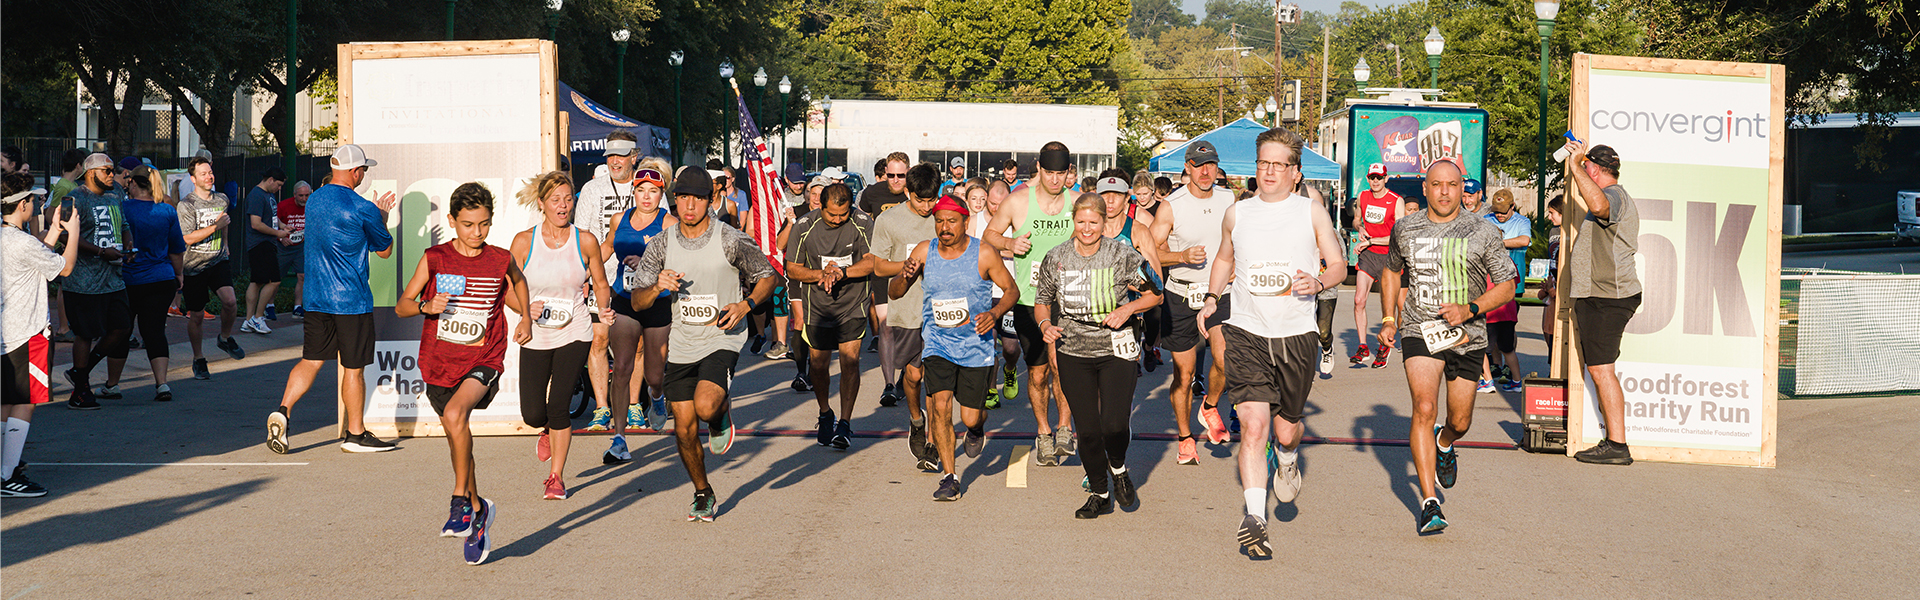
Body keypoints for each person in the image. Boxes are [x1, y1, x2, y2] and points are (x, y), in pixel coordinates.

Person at [1199, 128, 1348, 555]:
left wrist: (1319, 280)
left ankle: (1287, 459)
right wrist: (1212, 298)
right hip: (1246, 331)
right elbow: (1224, 258)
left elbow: (1338, 265)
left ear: (1295, 172)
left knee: (1285, 431)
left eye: (1278, 164)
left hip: (1295, 335)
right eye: (1263, 162)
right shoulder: (1238, 213)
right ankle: (1255, 518)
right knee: (1254, 425)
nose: (1268, 171)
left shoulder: (1310, 212)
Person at [624, 166, 776, 522]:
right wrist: (657, 287)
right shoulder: (662, 243)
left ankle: (721, 414)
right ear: (674, 200)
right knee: (684, 427)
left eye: (698, 197)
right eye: (683, 197)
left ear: (710, 201)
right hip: (682, 343)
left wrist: (746, 305)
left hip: (722, 336)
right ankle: (703, 492)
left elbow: (768, 276)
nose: (689, 204)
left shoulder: (730, 238)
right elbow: (637, 302)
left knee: (706, 407)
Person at [1377, 157, 1516, 533]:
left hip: (1467, 335)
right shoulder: (1405, 228)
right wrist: (1390, 317)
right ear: (1424, 188)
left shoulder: (1483, 231)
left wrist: (1470, 308)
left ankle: (1445, 441)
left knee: (1460, 420)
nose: (1444, 192)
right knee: (1424, 406)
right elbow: (1391, 270)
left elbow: (1507, 284)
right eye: (1436, 184)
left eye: (1452, 185)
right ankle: (1429, 502)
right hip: (1420, 328)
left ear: (1463, 190)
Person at [396, 182, 530, 565]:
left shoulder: (499, 259)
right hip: (440, 362)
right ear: (453, 221)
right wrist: (427, 305)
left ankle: (458, 503)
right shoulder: (435, 258)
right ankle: (477, 507)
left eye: (484, 224)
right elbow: (403, 306)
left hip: (484, 357)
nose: (477, 233)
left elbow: (518, 285)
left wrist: (529, 320)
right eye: (469, 225)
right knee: (458, 437)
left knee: (456, 416)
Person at [265, 145, 399, 454]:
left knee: (311, 360)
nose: (364, 174)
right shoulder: (363, 206)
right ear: (355, 172)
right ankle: (355, 435)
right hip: (351, 300)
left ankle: (283, 411)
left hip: (315, 298)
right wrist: (381, 217)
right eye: (364, 169)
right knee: (353, 369)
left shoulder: (314, 199)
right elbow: (385, 249)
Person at [1037, 193, 1162, 518]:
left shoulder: (1122, 254)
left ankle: (1118, 468)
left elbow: (1155, 295)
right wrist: (1045, 324)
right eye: (1081, 222)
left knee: (1114, 424)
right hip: (1073, 349)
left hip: (1116, 346)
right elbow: (1042, 300)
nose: (1088, 228)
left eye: (1094, 222)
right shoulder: (1057, 257)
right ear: (1073, 222)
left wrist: (1128, 308)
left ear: (1104, 223)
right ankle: (1100, 492)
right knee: (1089, 430)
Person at [891, 195, 1017, 500]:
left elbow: (1012, 290)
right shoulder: (924, 251)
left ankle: (975, 430)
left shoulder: (983, 253)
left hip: (975, 346)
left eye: (951, 221)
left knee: (971, 416)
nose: (944, 227)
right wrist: (904, 276)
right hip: (937, 343)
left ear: (964, 222)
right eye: (939, 221)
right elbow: (894, 293)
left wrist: (994, 314)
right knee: (941, 405)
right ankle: (950, 476)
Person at [512, 171, 612, 500]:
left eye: (568, 199)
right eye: (556, 200)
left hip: (575, 330)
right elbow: (507, 289)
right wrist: (525, 313)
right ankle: (544, 430)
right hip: (537, 335)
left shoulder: (584, 241)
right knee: (533, 413)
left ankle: (556, 476)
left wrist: (604, 310)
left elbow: (599, 283)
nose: (563, 206)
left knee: (559, 406)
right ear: (541, 203)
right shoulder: (525, 241)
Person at [982, 142, 1079, 466]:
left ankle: (1065, 427)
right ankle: (1043, 432)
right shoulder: (1018, 201)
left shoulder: (1076, 203)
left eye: (1060, 173)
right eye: (1049, 172)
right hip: (1028, 301)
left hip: (1070, 301)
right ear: (1039, 169)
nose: (1054, 180)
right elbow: (989, 236)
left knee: (1062, 368)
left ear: (1068, 173)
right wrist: (1010, 242)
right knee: (1037, 375)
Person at [1148, 140, 1233, 463]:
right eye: (1198, 165)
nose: (1206, 171)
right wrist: (1180, 255)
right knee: (1183, 376)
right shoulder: (1172, 205)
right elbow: (1150, 250)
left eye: (1211, 164)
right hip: (1181, 294)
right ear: (1187, 168)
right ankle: (1185, 437)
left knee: (1224, 358)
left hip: (1219, 293)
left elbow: (1238, 239)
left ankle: (1209, 406)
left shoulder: (1228, 199)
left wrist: (1235, 264)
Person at [2, 179, 81, 497]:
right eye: (34, 200)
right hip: (29, 330)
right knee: (26, 402)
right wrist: (72, 233)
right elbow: (65, 268)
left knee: (5, 401)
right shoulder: (22, 242)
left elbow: (37, 255)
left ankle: (5, 468)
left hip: (7, 330)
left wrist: (54, 230)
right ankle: (7, 476)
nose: (36, 205)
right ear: (23, 205)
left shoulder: (11, 238)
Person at [1563, 143, 1641, 466]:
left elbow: (1597, 205)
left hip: (1609, 298)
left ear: (1594, 170)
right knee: (1601, 369)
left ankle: (1617, 445)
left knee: (1602, 371)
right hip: (1602, 296)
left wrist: (1574, 167)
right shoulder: (1613, 195)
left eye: (1587, 168)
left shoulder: (1615, 196)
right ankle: (1615, 442)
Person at [783, 182, 874, 449]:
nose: (837, 219)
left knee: (850, 361)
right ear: (820, 206)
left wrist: (842, 273)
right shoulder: (803, 226)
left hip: (852, 303)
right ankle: (825, 412)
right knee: (819, 366)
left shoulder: (862, 222)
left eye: (842, 214)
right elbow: (793, 268)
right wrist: (821, 274)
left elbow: (872, 261)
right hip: (818, 307)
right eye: (831, 214)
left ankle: (845, 423)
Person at [599, 157, 677, 461]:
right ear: (633, 191)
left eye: (653, 191)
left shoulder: (669, 223)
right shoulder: (620, 219)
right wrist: (584, 270)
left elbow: (680, 263)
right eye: (641, 189)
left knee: (655, 376)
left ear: (662, 194)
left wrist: (648, 265)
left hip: (656, 303)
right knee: (621, 368)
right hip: (624, 298)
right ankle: (619, 439)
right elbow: (606, 247)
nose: (646, 196)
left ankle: (657, 397)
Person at [871, 162, 941, 470]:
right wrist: (908, 265)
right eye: (920, 200)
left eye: (932, 199)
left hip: (941, 312)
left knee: (938, 382)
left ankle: (935, 443)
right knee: (913, 376)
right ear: (907, 193)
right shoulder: (889, 220)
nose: (927, 207)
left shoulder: (945, 216)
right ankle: (916, 420)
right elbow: (877, 266)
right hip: (906, 310)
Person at [575, 132, 644, 437]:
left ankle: (632, 405)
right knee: (598, 341)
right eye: (610, 156)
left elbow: (665, 229)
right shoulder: (593, 189)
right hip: (601, 276)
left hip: (640, 278)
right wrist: (584, 275)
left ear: (634, 155)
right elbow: (582, 235)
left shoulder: (649, 186)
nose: (615, 161)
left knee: (637, 344)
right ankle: (602, 407)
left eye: (621, 154)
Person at [58, 153, 134, 410]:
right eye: (107, 171)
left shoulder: (116, 196)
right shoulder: (73, 198)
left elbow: (123, 224)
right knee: (85, 333)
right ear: (91, 173)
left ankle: (82, 371)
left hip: (113, 278)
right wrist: (101, 252)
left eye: (113, 171)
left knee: (122, 327)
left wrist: (128, 242)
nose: (113, 175)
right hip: (83, 281)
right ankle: (81, 390)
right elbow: (63, 236)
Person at [106, 165, 186, 402]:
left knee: (121, 330)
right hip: (161, 277)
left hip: (127, 278)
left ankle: (112, 384)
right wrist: (179, 274)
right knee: (154, 331)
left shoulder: (122, 208)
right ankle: (162, 384)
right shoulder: (168, 211)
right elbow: (176, 250)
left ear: (132, 183)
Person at [175, 157, 246, 381]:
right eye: (203, 174)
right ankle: (199, 358)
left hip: (217, 261)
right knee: (196, 316)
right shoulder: (186, 205)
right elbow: (186, 238)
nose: (209, 176)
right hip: (194, 265)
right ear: (193, 179)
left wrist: (225, 242)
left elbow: (224, 222)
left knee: (231, 301)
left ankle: (224, 338)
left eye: (210, 172)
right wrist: (215, 226)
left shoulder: (222, 198)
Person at [862, 153, 912, 407]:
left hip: (913, 270)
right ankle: (889, 384)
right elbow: (860, 221)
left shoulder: (916, 193)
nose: (895, 180)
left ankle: (908, 375)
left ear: (908, 173)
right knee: (886, 326)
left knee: (911, 328)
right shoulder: (872, 193)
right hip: (882, 266)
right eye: (890, 175)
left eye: (900, 176)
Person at [1350, 163, 1404, 369]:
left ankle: (1385, 345)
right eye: (1372, 177)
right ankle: (1362, 346)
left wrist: (1372, 240)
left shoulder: (1396, 201)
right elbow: (1356, 219)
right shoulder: (1363, 196)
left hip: (1389, 257)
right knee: (1358, 300)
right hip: (1368, 255)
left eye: (1379, 178)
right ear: (1367, 178)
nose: (1375, 181)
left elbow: (1399, 235)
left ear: (1386, 178)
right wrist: (1360, 228)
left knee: (1387, 305)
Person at [1480, 189, 1532, 393]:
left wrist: (1496, 244)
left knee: (1486, 344)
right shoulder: (1486, 219)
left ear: (1512, 206)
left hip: (1495, 309)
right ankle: (1508, 376)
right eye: (1497, 211)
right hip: (1505, 311)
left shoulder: (1521, 221)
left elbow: (1524, 240)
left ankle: (1487, 380)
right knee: (1504, 344)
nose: (1499, 215)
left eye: (1503, 211)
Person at [240, 168, 289, 334]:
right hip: (260, 243)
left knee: (257, 281)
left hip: (266, 242)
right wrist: (278, 233)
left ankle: (248, 320)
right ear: (270, 180)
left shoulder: (269, 195)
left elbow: (272, 217)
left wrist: (283, 227)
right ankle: (258, 317)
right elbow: (256, 223)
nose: (279, 188)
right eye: (279, 184)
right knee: (274, 280)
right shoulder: (256, 195)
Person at [278, 182, 311, 318]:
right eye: (301, 195)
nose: (304, 199)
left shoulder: (312, 206)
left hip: (301, 246)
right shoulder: (283, 206)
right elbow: (272, 222)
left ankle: (298, 307)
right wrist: (281, 238)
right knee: (275, 278)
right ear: (294, 195)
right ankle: (269, 306)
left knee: (302, 276)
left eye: (307, 195)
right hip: (284, 246)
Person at [1539, 196, 1564, 361]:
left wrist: (1557, 290)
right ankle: (1551, 364)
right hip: (1551, 283)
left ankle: (1556, 368)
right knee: (1547, 329)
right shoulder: (1553, 231)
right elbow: (1552, 259)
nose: (1549, 217)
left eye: (1552, 213)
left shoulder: (1571, 232)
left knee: (1558, 332)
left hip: (1562, 288)